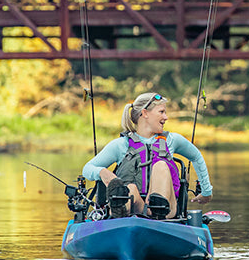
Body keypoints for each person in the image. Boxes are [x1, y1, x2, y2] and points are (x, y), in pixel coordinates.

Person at [82, 91, 213, 218]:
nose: (166, 117)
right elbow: (87, 169)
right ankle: (120, 209)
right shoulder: (121, 144)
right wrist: (103, 173)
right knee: (130, 189)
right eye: (161, 112)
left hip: (166, 210)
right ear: (145, 113)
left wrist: (206, 192)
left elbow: (196, 156)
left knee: (160, 165)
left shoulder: (172, 140)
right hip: (136, 206)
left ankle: (155, 210)